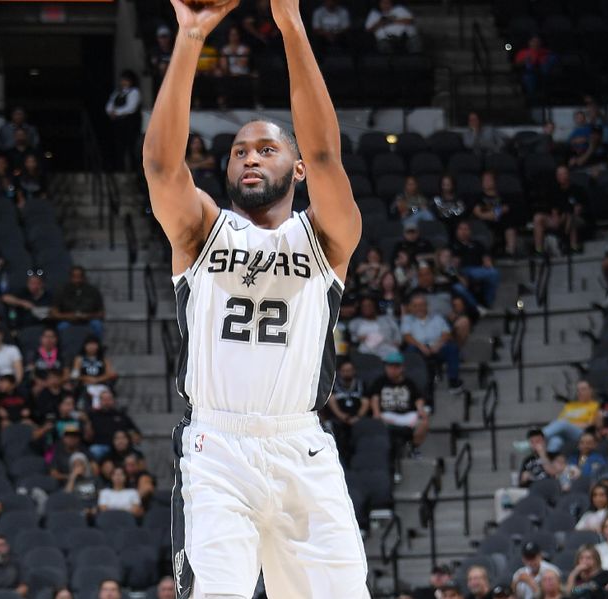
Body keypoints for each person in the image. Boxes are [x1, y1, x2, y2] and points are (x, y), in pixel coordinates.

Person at [143, 0, 369, 594]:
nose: (249, 156)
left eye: (267, 149)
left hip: (302, 447)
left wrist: (291, 23)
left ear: (296, 171)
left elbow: (326, 154)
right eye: (240, 150)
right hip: (217, 449)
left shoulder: (325, 236)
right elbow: (162, 168)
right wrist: (190, 36)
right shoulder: (201, 231)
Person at [370, 351, 430, 460]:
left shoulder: (409, 383)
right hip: (387, 415)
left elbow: (418, 399)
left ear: (402, 368)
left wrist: (421, 410)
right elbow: (374, 398)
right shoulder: (380, 382)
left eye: (396, 367)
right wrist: (376, 412)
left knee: (424, 422)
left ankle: (414, 448)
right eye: (390, 366)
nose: (393, 370)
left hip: (406, 415)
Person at [401, 292, 462, 392]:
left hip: (437, 347)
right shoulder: (407, 319)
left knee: (452, 348)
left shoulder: (437, 318)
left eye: (421, 305)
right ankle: (414, 384)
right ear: (411, 307)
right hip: (419, 348)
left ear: (427, 306)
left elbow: (446, 333)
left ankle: (453, 381)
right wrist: (420, 346)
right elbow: (407, 336)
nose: (418, 308)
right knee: (410, 350)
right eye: (415, 306)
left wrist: (438, 344)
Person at [450, 220, 500, 310]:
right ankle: (477, 307)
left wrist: (488, 263)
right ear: (457, 231)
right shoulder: (452, 245)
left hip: (478, 269)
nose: (463, 231)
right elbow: (452, 265)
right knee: (459, 288)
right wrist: (459, 276)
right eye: (461, 229)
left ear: (470, 231)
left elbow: (486, 258)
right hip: (463, 270)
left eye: (466, 229)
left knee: (494, 273)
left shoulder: (477, 244)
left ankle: (488, 303)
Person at [542, 380, 600, 453]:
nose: (579, 392)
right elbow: (558, 423)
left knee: (563, 423)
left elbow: (589, 425)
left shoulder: (595, 406)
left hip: (582, 433)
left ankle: (536, 437)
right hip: (566, 431)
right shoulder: (570, 406)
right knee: (555, 441)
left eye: (583, 389)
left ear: (591, 391)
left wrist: (568, 424)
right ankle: (548, 461)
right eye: (578, 390)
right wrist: (566, 425)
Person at [49, 266, 105, 338]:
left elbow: (101, 313)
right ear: (70, 277)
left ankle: (97, 347)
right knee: (61, 327)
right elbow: (54, 313)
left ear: (84, 277)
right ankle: (61, 348)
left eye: (80, 276)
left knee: (97, 325)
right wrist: (68, 316)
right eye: (74, 277)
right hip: (68, 320)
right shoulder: (61, 291)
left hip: (89, 319)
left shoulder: (93, 291)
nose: (77, 280)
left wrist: (88, 316)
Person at [473, 170, 517, 257]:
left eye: (489, 180)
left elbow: (505, 208)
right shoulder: (478, 197)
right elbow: (477, 213)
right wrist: (491, 215)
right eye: (484, 180)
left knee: (510, 225)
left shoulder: (503, 196)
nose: (486, 182)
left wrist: (493, 214)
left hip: (501, 221)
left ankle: (510, 253)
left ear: (494, 182)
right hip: (484, 222)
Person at [105, 70, 142, 172]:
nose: (123, 82)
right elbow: (109, 106)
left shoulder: (134, 92)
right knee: (119, 148)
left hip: (130, 124)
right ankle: (120, 169)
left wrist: (116, 112)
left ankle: (134, 171)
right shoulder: (117, 93)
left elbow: (130, 108)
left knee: (131, 148)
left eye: (126, 80)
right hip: (119, 124)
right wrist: (111, 112)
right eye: (122, 80)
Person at [71, 335, 118, 407]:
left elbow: (111, 374)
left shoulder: (103, 359)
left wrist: (97, 379)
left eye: (94, 344)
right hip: (85, 386)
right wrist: (87, 378)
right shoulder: (79, 359)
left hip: (101, 385)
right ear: (85, 346)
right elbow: (74, 375)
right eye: (89, 344)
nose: (91, 347)